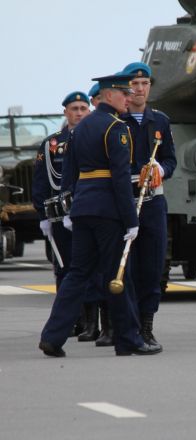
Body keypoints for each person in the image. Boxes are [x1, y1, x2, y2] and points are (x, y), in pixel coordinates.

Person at [39, 73, 162, 357]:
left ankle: (52, 336)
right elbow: (120, 178)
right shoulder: (116, 128)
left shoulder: (80, 128)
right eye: (124, 93)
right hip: (108, 212)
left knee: (77, 274)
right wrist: (131, 220)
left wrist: (70, 207)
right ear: (109, 96)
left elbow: (69, 173)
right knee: (119, 276)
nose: (129, 97)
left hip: (83, 208)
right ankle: (128, 339)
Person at [32, 91, 104, 342]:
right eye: (74, 108)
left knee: (92, 269)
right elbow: (41, 179)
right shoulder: (52, 144)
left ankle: (92, 323)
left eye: (84, 108)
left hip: (87, 211)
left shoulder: (97, 139)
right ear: (66, 112)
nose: (79, 113)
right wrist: (42, 214)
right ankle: (74, 320)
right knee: (64, 268)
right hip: (59, 215)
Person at [120, 62, 177, 346]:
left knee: (152, 266)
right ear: (125, 89)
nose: (139, 89)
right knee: (125, 266)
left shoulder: (161, 121)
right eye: (134, 84)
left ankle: (146, 325)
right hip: (124, 201)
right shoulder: (117, 122)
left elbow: (171, 160)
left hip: (153, 202)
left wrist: (160, 170)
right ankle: (123, 326)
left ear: (149, 87)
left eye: (144, 84)